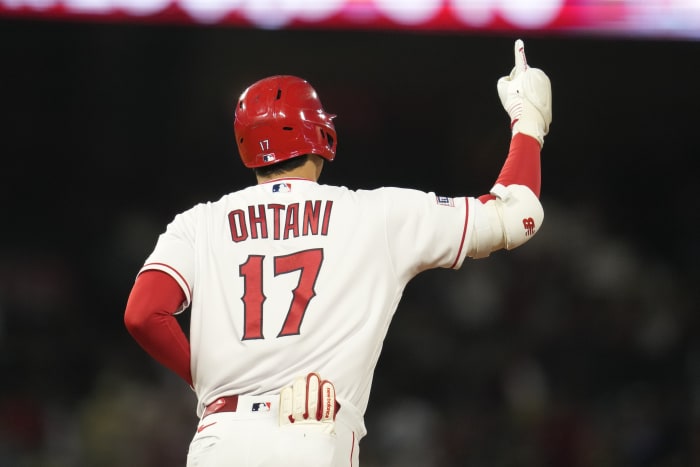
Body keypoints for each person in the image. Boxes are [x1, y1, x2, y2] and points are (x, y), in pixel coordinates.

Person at [123, 39, 552, 466]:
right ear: (321, 133)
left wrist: (205, 384)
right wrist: (527, 121)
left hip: (220, 438)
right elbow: (516, 217)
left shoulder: (198, 223)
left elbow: (142, 314)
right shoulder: (374, 214)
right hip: (313, 433)